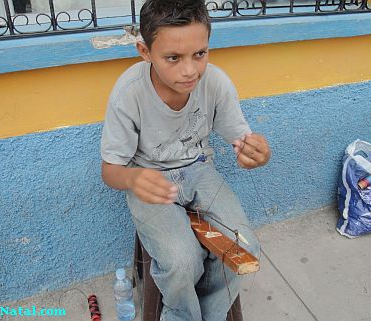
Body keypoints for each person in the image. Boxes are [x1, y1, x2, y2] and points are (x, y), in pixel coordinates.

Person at [100, 0, 271, 320]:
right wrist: (134, 179)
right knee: (182, 262)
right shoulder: (129, 93)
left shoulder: (216, 83)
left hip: (198, 169)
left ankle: (203, 314)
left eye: (200, 54)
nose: (190, 70)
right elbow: (110, 171)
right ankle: (181, 314)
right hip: (149, 179)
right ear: (144, 51)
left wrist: (257, 154)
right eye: (173, 58)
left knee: (244, 249)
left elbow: (243, 140)